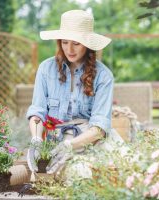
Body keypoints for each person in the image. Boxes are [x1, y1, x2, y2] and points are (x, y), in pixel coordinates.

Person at [26, 10, 121, 179]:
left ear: (87, 44)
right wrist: (36, 139)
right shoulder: (46, 69)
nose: (69, 49)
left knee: (98, 173)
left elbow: (99, 128)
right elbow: (38, 112)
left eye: (76, 43)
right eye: (64, 42)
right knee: (45, 177)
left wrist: (70, 145)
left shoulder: (103, 76)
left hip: (91, 140)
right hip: (55, 140)